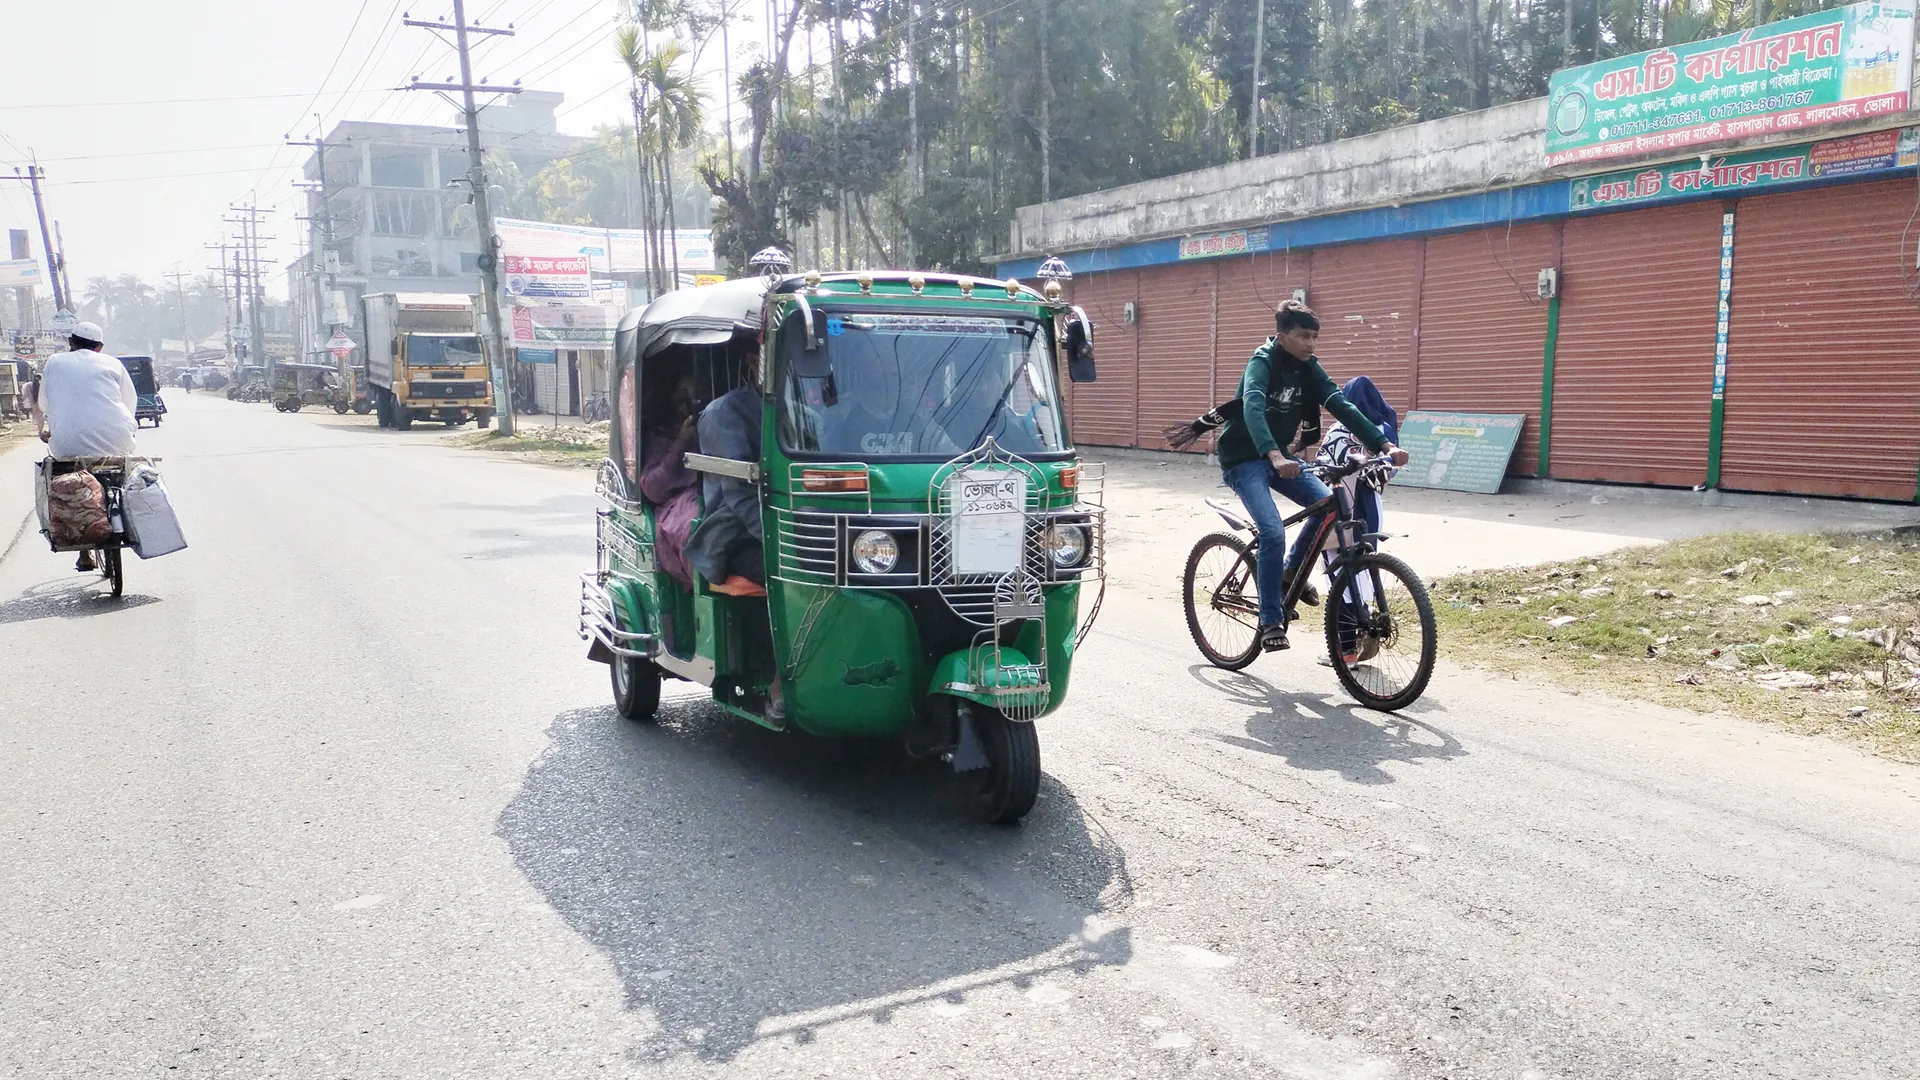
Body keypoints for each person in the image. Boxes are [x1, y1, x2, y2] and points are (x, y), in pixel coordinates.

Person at [1214, 302, 1409, 653]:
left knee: (1328, 505)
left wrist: (1384, 444)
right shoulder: (1261, 362)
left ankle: (1290, 572)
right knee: (1272, 530)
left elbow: (1342, 405)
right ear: (1282, 336)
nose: (1311, 344)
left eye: (1315, 336)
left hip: (1280, 457)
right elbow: (1252, 407)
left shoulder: (1308, 367)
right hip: (1244, 459)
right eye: (1303, 336)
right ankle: (1270, 620)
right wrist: (1273, 454)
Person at [36, 321, 137, 572]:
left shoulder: (55, 362)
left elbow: (45, 404)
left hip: (67, 443)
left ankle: (84, 551)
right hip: (117, 439)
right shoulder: (114, 363)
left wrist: (49, 429)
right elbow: (129, 402)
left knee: (71, 484)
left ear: (71, 342)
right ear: (100, 347)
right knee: (123, 475)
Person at [638, 374, 701, 588]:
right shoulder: (660, 435)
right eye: (682, 397)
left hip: (717, 493)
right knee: (694, 527)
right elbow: (653, 489)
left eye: (692, 398)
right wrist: (681, 442)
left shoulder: (716, 422)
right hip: (676, 504)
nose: (685, 405)